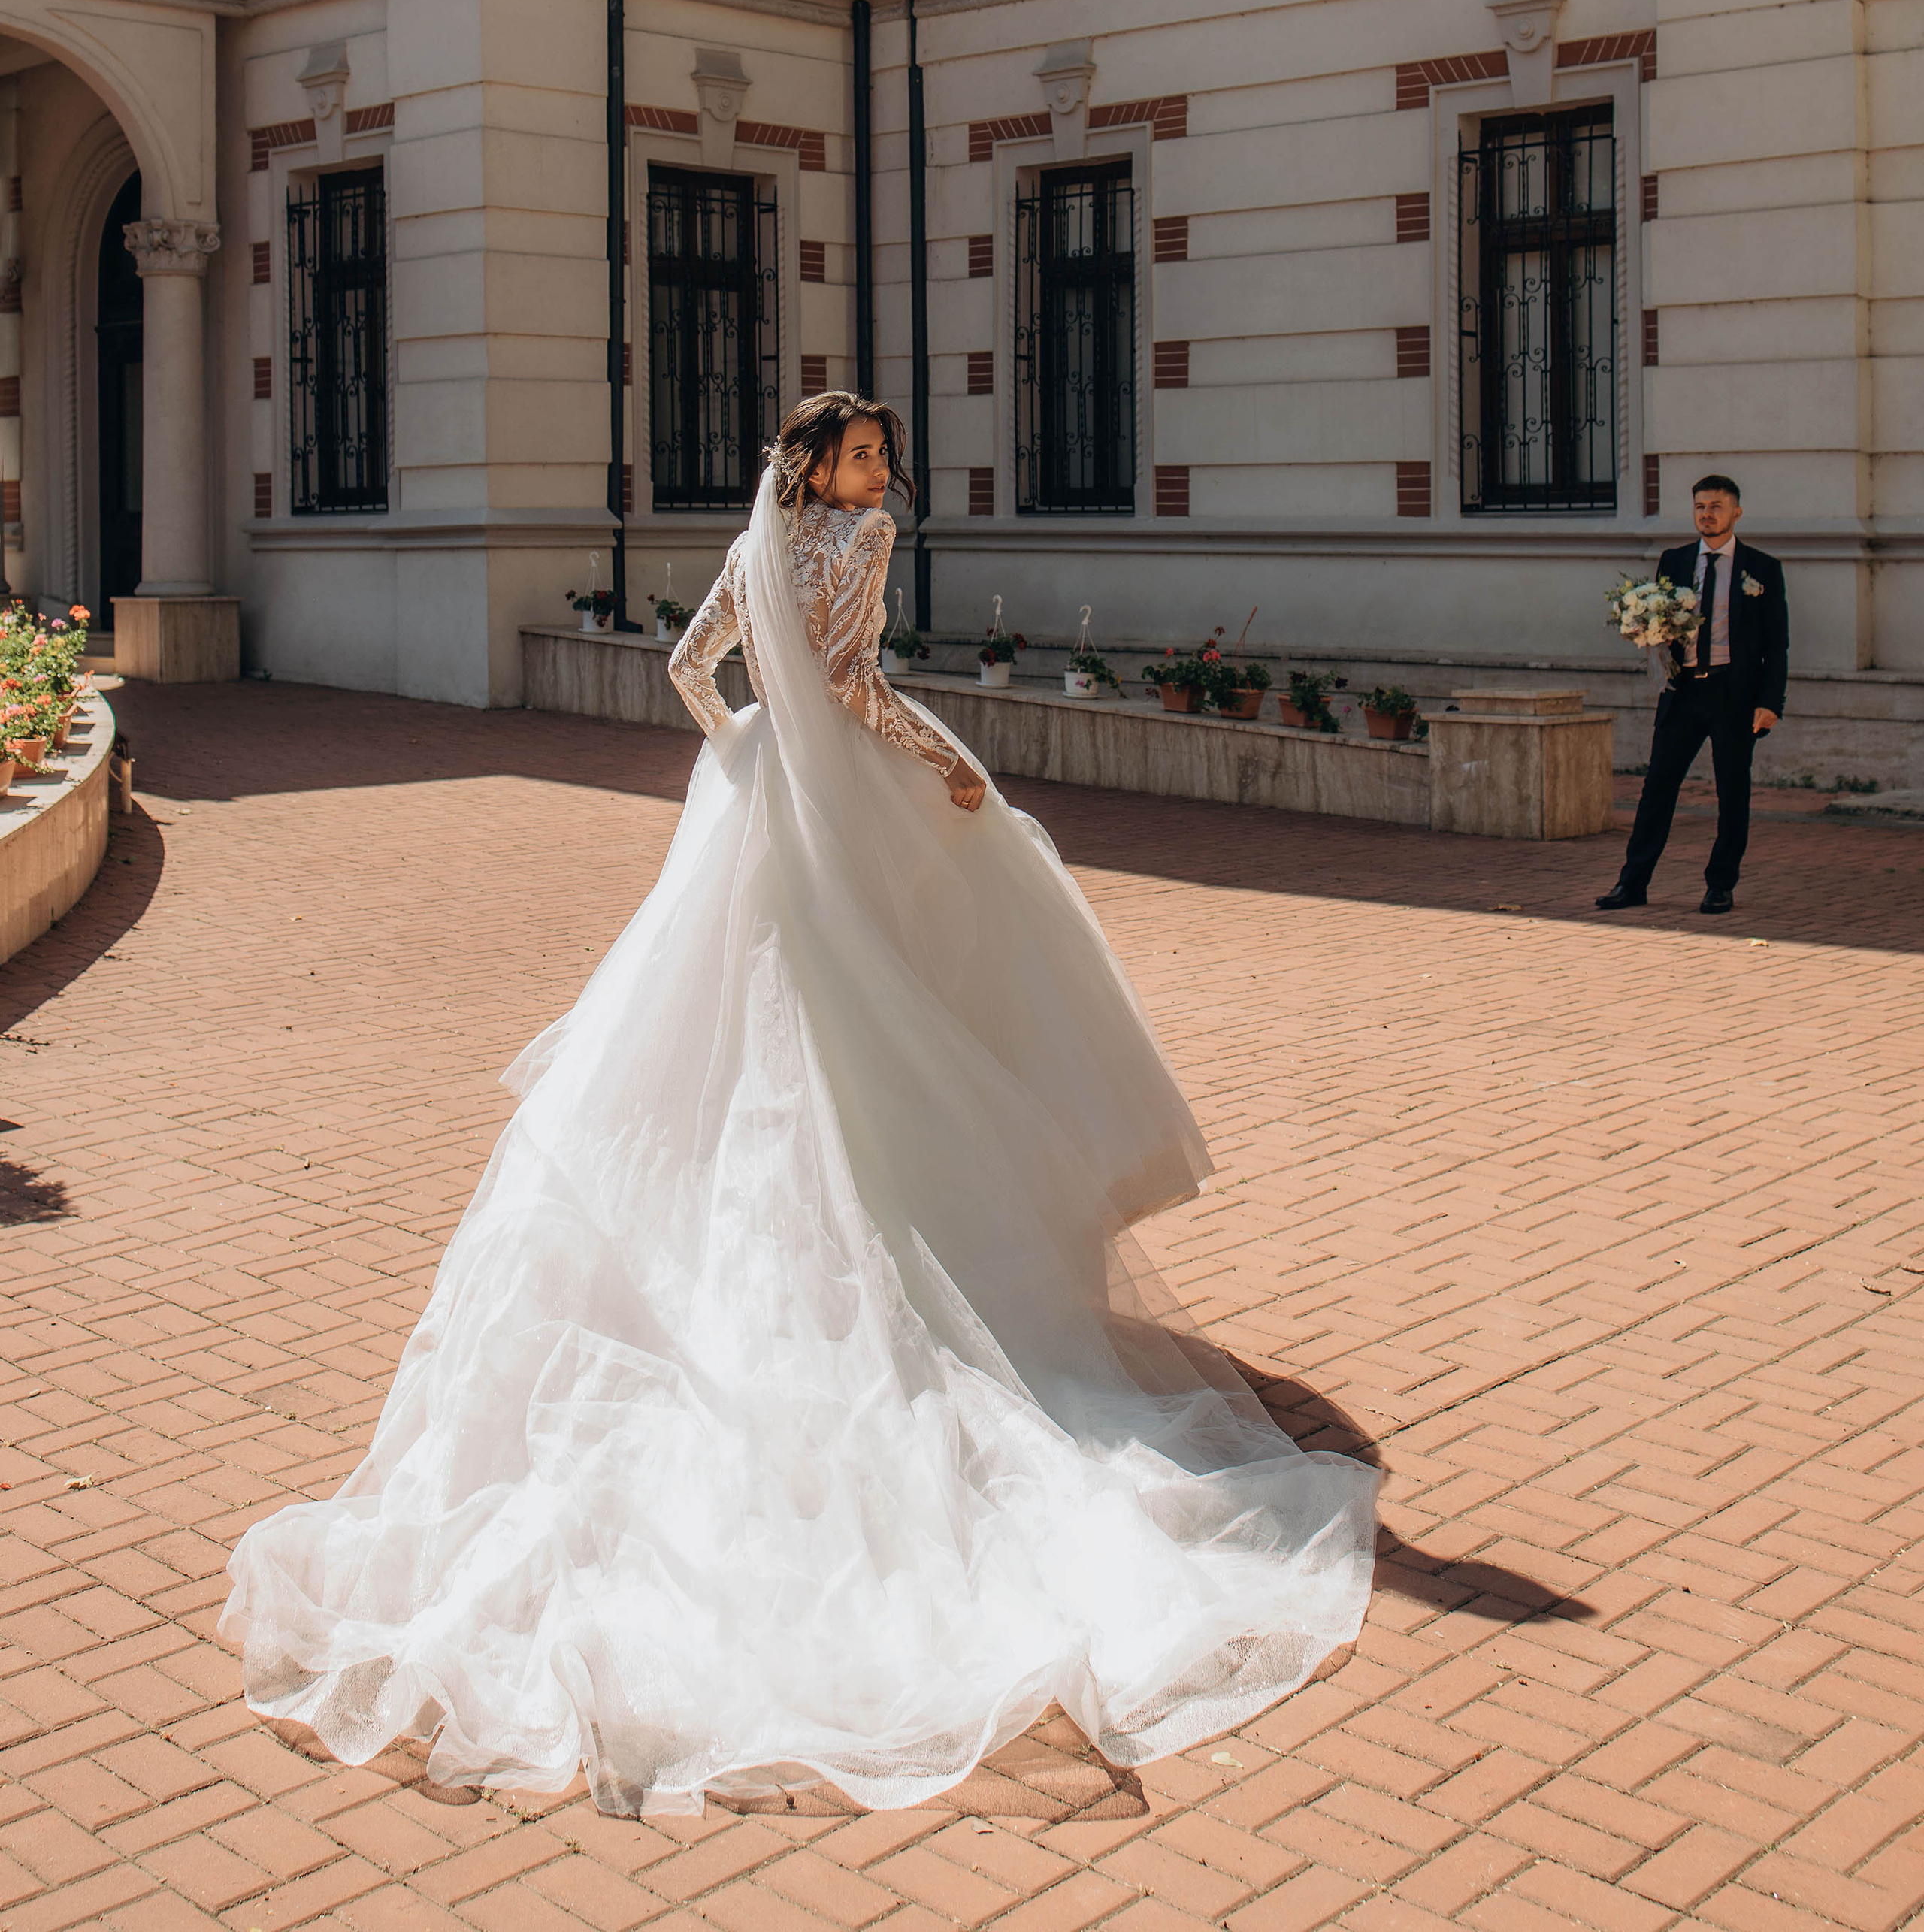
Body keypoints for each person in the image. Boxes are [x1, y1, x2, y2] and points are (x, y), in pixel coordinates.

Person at [221, 391, 1375, 1815]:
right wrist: (947, 765)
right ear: (823, 467)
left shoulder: (758, 538)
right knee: (876, 1018)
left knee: (731, 1045)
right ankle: (915, 1249)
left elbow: (697, 669)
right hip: (841, 799)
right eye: (867, 454)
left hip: (757, 804)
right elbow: (860, 690)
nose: (884, 473)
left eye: (882, 455)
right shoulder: (865, 540)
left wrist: (742, 758)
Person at [1597, 473, 1789, 916]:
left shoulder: (1762, 569)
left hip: (1734, 695)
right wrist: (1643, 630)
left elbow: (1777, 644)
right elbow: (1663, 621)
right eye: (1701, 506)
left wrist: (1770, 702)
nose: (1708, 514)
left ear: (1736, 512)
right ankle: (1633, 882)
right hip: (1683, 693)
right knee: (1657, 789)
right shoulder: (1676, 560)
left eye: (1717, 506)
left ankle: (1720, 885)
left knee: (1732, 792)